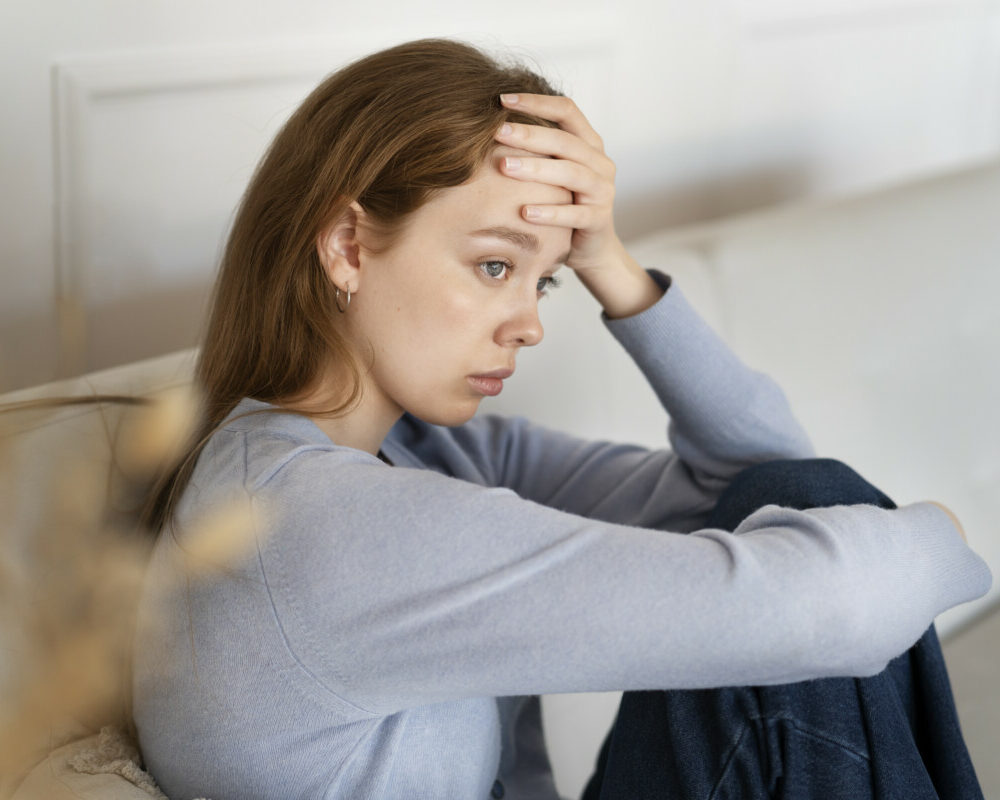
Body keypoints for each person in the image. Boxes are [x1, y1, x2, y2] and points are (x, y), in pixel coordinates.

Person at [131, 38, 991, 800]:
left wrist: (608, 260)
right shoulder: (308, 525)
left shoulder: (434, 451)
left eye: (542, 280)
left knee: (809, 496)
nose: (530, 323)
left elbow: (764, 475)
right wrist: (945, 535)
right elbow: (828, 608)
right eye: (494, 264)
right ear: (348, 246)